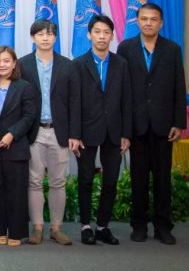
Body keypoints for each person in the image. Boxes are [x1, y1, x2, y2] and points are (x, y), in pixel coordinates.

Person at [117, 3, 185, 245]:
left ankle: (163, 226)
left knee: (162, 179)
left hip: (164, 125)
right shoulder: (125, 48)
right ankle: (138, 225)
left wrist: (179, 122)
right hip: (136, 126)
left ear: (161, 23)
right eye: (143, 19)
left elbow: (179, 86)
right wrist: (124, 128)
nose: (148, 23)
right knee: (138, 178)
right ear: (137, 21)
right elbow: (122, 91)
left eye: (153, 19)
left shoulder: (172, 49)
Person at [17, 20, 80, 246]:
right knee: (33, 181)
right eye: (40, 34)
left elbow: (75, 101)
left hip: (59, 132)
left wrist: (75, 133)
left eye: (50, 34)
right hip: (33, 132)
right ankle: (36, 228)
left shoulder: (68, 65)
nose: (45, 38)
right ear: (33, 37)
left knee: (58, 182)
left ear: (55, 38)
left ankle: (56, 228)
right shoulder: (22, 64)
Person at [73, 14, 131, 246]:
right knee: (85, 179)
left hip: (114, 132)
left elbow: (127, 100)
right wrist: (74, 134)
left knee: (110, 181)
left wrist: (126, 133)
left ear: (112, 36)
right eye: (97, 31)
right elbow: (74, 102)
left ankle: (103, 226)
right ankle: (86, 226)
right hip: (86, 132)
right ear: (89, 34)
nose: (101, 36)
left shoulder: (121, 64)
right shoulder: (77, 64)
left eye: (106, 32)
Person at [0, 45, 37, 247]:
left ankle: (16, 231)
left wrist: (11, 134)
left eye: (7, 61)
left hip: (17, 147)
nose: (2, 64)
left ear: (14, 64)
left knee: (16, 191)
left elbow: (29, 116)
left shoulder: (24, 86)